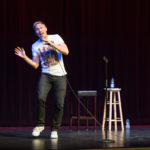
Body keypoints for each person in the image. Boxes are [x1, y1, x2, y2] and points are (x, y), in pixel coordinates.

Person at [14, 21, 69, 139]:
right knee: (40, 98)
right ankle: (40, 125)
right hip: (46, 75)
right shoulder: (35, 46)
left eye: (41, 28)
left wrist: (51, 43)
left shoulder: (55, 37)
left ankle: (54, 129)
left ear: (46, 28)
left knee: (60, 104)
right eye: (37, 29)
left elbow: (66, 51)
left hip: (61, 76)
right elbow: (35, 65)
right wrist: (25, 57)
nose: (40, 30)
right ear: (35, 32)